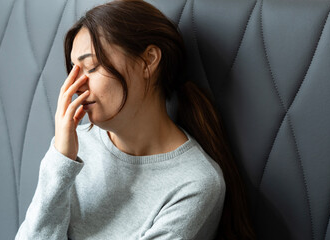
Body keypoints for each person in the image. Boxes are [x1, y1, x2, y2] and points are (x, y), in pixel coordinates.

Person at [15, 0, 256, 239]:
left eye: (91, 67)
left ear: (148, 60)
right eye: (74, 71)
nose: (77, 86)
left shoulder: (195, 184)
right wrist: (60, 162)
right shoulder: (72, 150)